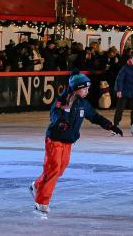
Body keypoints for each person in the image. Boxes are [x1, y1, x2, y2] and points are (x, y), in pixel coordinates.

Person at [31, 71, 122, 214]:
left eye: (88, 88)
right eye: (84, 88)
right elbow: (54, 113)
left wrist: (110, 126)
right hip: (55, 139)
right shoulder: (64, 100)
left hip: (68, 141)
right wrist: (61, 122)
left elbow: (95, 117)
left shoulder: (83, 104)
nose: (87, 91)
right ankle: (41, 202)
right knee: (54, 169)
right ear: (76, 88)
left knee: (59, 170)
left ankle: (37, 185)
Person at [112, 51, 133, 136]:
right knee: (120, 109)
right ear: (130, 59)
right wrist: (119, 90)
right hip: (124, 91)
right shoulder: (125, 68)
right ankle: (116, 125)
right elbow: (119, 79)